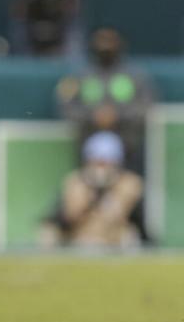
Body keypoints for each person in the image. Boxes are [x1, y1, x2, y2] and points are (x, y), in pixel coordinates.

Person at [55, 28, 156, 172]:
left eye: (110, 41)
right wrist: (93, 116)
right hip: (87, 144)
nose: (106, 46)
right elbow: (66, 107)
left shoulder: (136, 76)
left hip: (127, 146)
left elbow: (146, 106)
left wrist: (117, 115)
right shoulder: (79, 76)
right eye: (101, 41)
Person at [38, 131, 147, 248]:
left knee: (130, 234)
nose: (101, 169)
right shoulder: (75, 183)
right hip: (78, 240)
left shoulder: (129, 184)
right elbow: (60, 219)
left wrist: (109, 194)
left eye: (106, 163)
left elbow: (138, 224)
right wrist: (90, 197)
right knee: (48, 232)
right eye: (97, 163)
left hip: (113, 243)